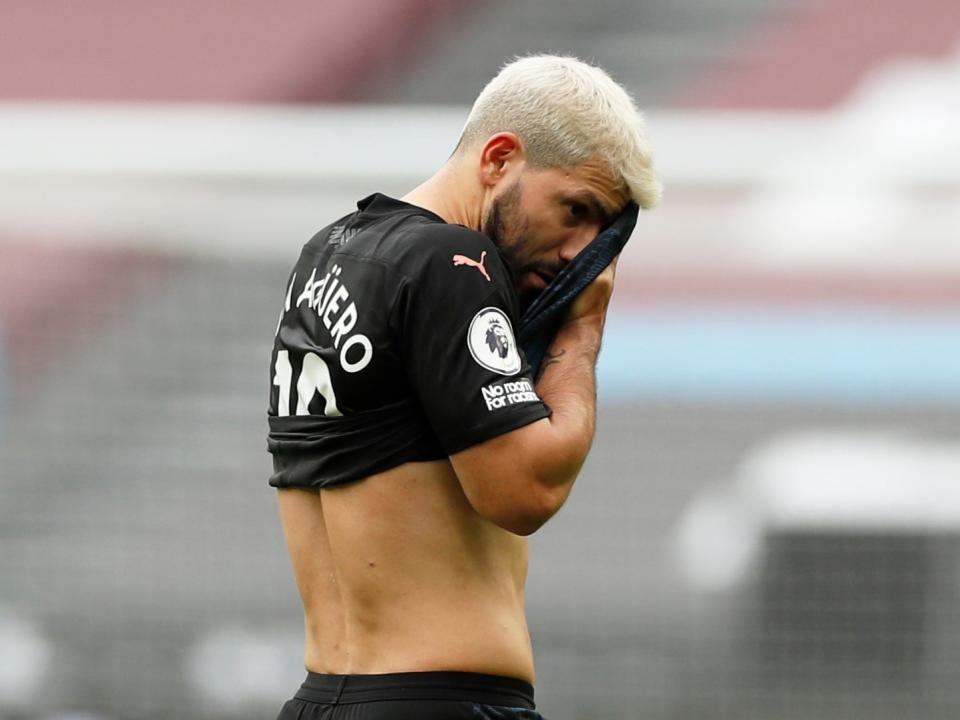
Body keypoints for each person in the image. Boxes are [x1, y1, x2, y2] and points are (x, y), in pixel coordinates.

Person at [267, 54, 660, 720]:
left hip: (322, 697)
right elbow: (524, 490)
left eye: (603, 235)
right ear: (499, 159)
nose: (580, 255)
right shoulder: (452, 263)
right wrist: (584, 326)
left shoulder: (331, 250)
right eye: (575, 210)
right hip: (441, 697)